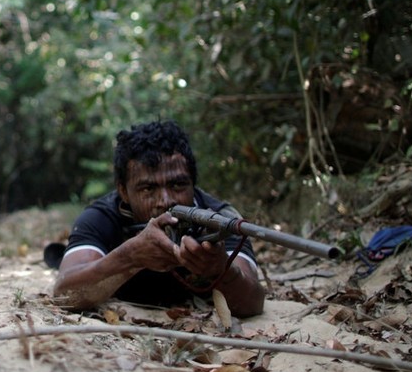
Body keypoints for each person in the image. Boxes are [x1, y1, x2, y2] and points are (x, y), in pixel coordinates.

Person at [53, 120, 265, 317]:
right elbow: (65, 295)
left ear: (194, 183)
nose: (165, 200)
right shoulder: (101, 217)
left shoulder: (221, 218)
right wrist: (130, 257)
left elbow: (252, 304)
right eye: (148, 188)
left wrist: (221, 269)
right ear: (123, 192)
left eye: (178, 185)